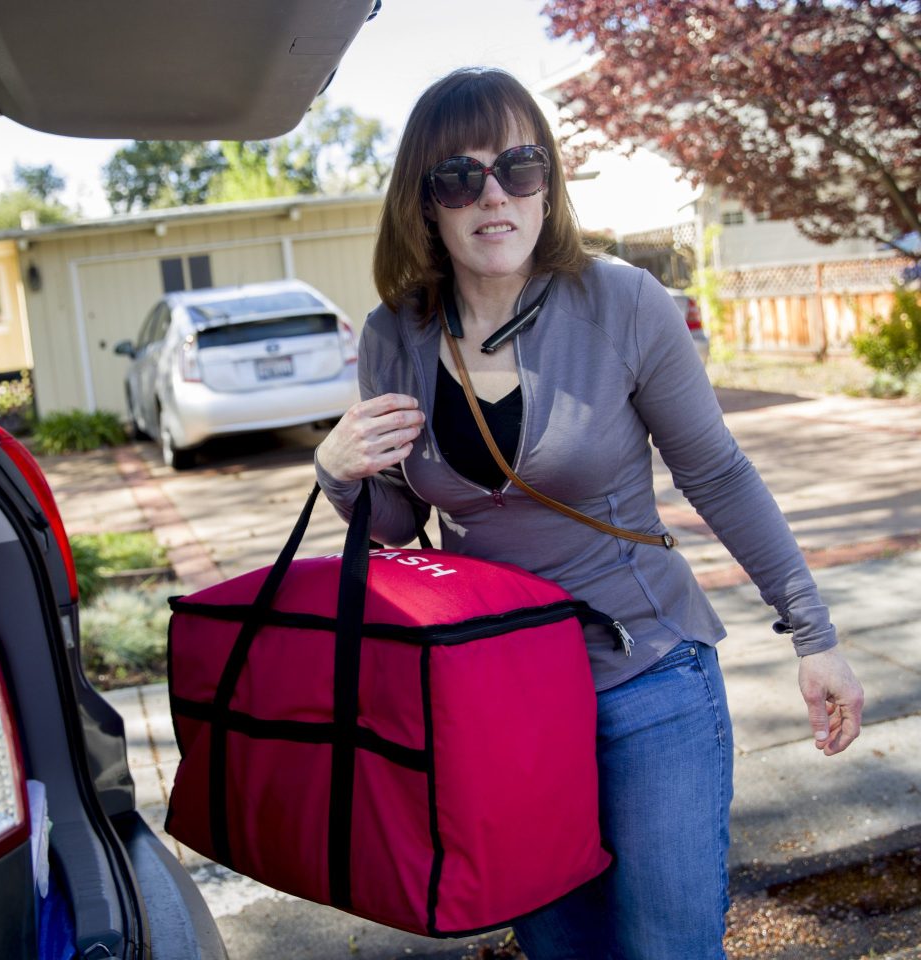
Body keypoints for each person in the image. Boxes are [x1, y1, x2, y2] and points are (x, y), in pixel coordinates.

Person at [314, 67, 864, 959]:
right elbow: (391, 523)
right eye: (460, 176)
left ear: (547, 183)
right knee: (562, 946)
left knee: (668, 947)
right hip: (502, 698)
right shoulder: (396, 334)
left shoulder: (622, 303)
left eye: (518, 167)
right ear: (425, 202)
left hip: (647, 675)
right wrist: (336, 471)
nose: (493, 196)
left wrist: (814, 634)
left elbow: (718, 474)